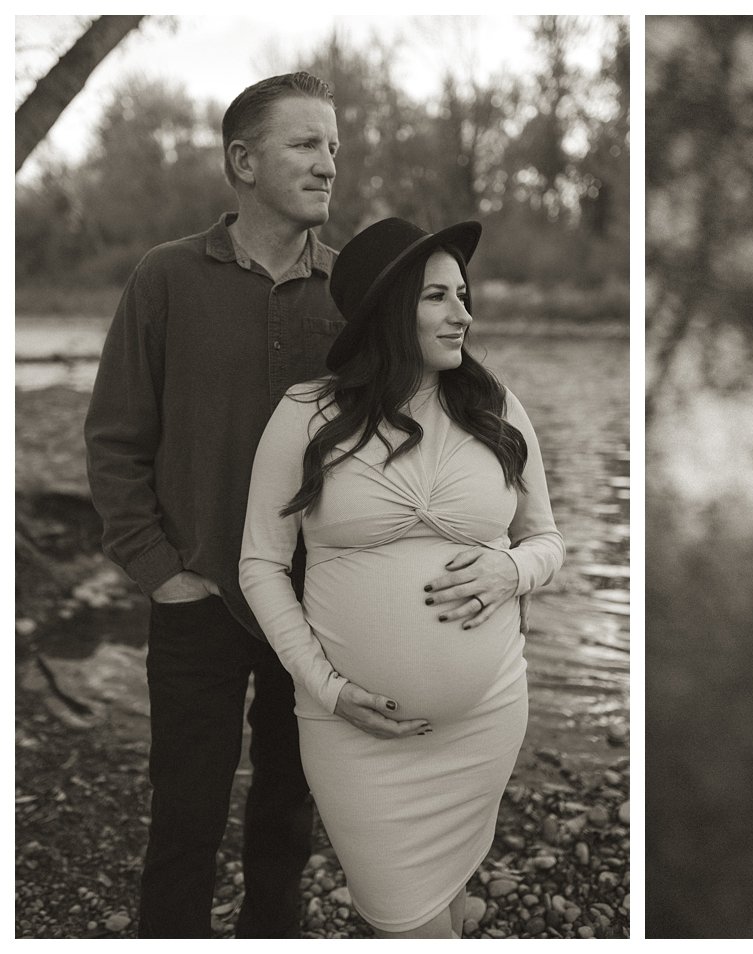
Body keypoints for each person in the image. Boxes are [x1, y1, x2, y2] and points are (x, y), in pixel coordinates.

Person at [238, 217, 563, 938]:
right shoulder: (306, 414)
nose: (463, 314)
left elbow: (545, 541)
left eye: (463, 295)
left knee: (434, 904)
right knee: (402, 920)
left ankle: (453, 901)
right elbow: (259, 563)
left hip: (486, 715)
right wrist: (325, 686)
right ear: (391, 310)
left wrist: (511, 569)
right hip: (353, 730)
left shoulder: (495, 408)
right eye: (438, 298)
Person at [84, 71, 342, 938]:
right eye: (306, 144)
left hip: (312, 610)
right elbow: (115, 441)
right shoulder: (165, 279)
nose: (328, 165)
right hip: (198, 599)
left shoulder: (353, 295)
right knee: (183, 824)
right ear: (242, 160)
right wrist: (162, 575)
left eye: (334, 148)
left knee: (288, 821)